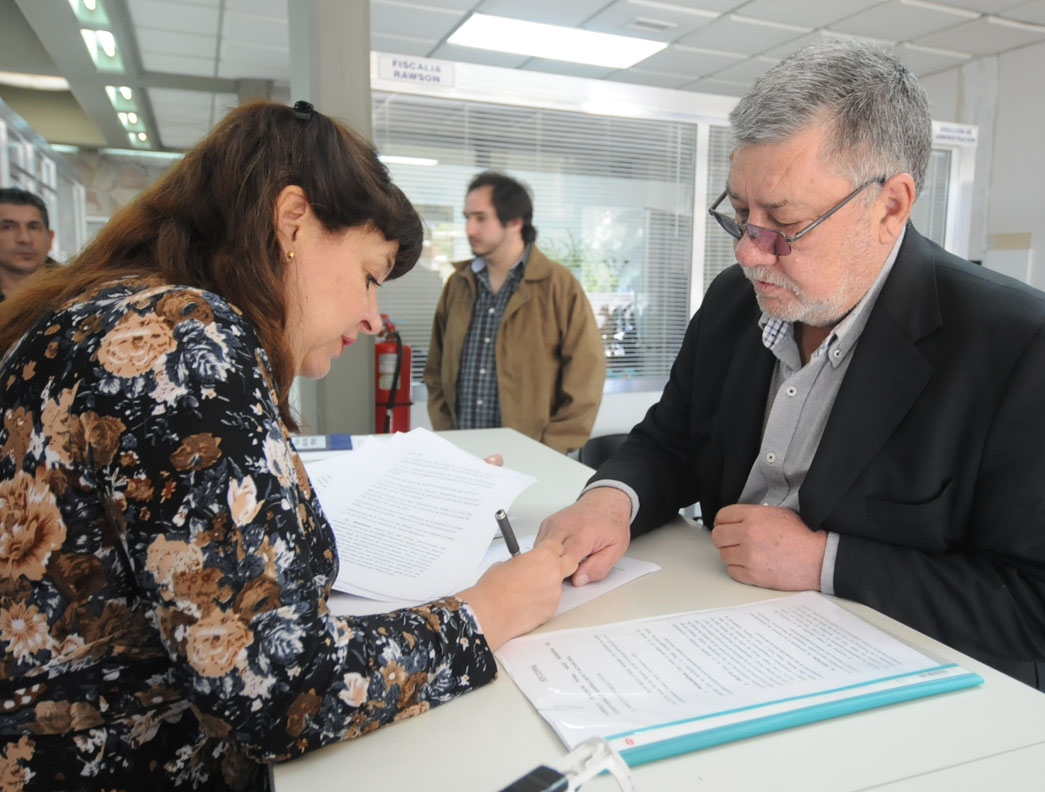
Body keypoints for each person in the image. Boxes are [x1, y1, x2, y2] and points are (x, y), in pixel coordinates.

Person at [0, 101, 576, 791]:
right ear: (293, 221)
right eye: (369, 275)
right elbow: (273, 689)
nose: (373, 316)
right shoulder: (184, 340)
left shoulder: (121, 312)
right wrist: (489, 610)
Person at [538, 40, 1045, 683]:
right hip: (714, 641)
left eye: (784, 224)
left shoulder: (1021, 345)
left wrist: (825, 562)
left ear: (890, 206)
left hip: (904, 686)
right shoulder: (734, 300)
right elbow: (672, 443)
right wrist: (612, 500)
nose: (749, 254)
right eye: (740, 215)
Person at [424, 171, 605, 454]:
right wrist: (450, 436)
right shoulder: (457, 285)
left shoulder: (558, 285)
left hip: (533, 460)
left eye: (481, 218)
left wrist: (548, 450)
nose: (469, 229)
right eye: (467, 218)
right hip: (463, 455)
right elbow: (435, 371)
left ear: (515, 221)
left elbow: (586, 378)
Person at [0, 187, 58, 301]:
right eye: (8, 227)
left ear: (50, 238)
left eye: (33, 227)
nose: (25, 239)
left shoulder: (82, 294)